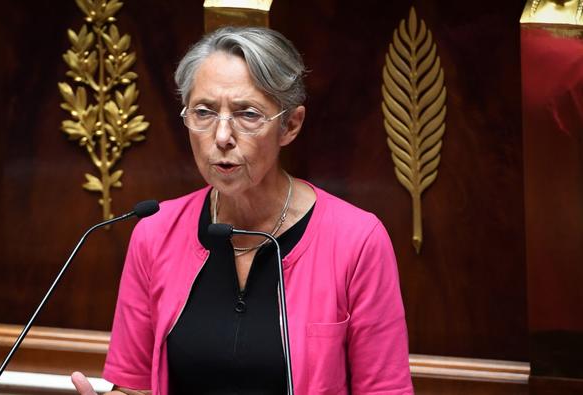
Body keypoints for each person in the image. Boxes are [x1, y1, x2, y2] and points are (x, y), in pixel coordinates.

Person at [71, 26, 413, 395]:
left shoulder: (356, 241)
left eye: (247, 114)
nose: (221, 137)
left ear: (290, 125)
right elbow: (134, 387)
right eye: (203, 112)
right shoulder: (155, 233)